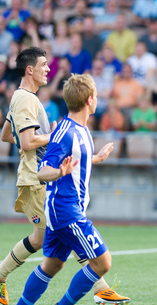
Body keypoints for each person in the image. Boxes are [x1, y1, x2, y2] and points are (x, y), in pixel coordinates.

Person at [0, 48, 127, 305]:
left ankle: (95, 286)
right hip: (37, 181)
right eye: (44, 65)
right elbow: (26, 143)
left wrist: (90, 156)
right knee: (64, 236)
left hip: (43, 180)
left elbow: (6, 134)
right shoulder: (27, 99)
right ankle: (98, 286)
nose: (49, 69)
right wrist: (55, 136)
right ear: (30, 70)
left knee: (47, 248)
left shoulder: (25, 98)